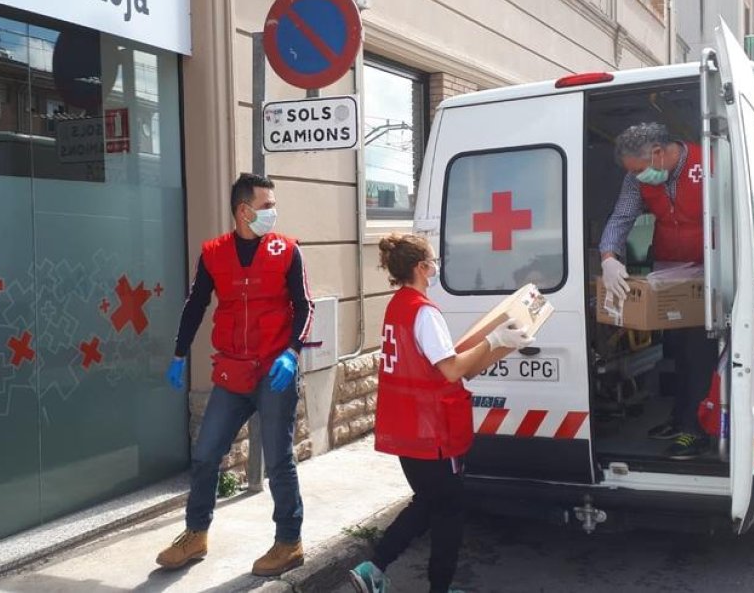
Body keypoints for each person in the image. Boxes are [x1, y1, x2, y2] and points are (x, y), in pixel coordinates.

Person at [349, 234, 534, 593]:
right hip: (432, 431)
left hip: (407, 427)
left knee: (434, 504)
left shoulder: (399, 306)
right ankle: (380, 567)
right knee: (445, 508)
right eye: (433, 261)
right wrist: (493, 341)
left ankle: (394, 572)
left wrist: (501, 347)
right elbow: (451, 371)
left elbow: (456, 367)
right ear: (421, 268)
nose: (436, 267)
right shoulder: (424, 311)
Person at [156, 173, 313, 577]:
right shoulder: (213, 253)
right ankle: (195, 534)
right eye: (265, 206)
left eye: (273, 205)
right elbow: (196, 305)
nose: (272, 213)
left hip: (274, 371)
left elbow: (304, 306)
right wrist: (178, 354)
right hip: (232, 372)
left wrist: (292, 354)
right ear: (243, 211)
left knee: (279, 459)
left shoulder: (288, 251)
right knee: (206, 454)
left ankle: (289, 541)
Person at [598, 122, 719, 460]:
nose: (637, 178)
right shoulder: (636, 178)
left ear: (657, 153)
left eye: (639, 170)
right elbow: (621, 218)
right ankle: (680, 418)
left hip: (708, 271)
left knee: (699, 352)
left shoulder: (709, 163)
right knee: (676, 351)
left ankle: (697, 430)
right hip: (668, 268)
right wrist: (608, 257)